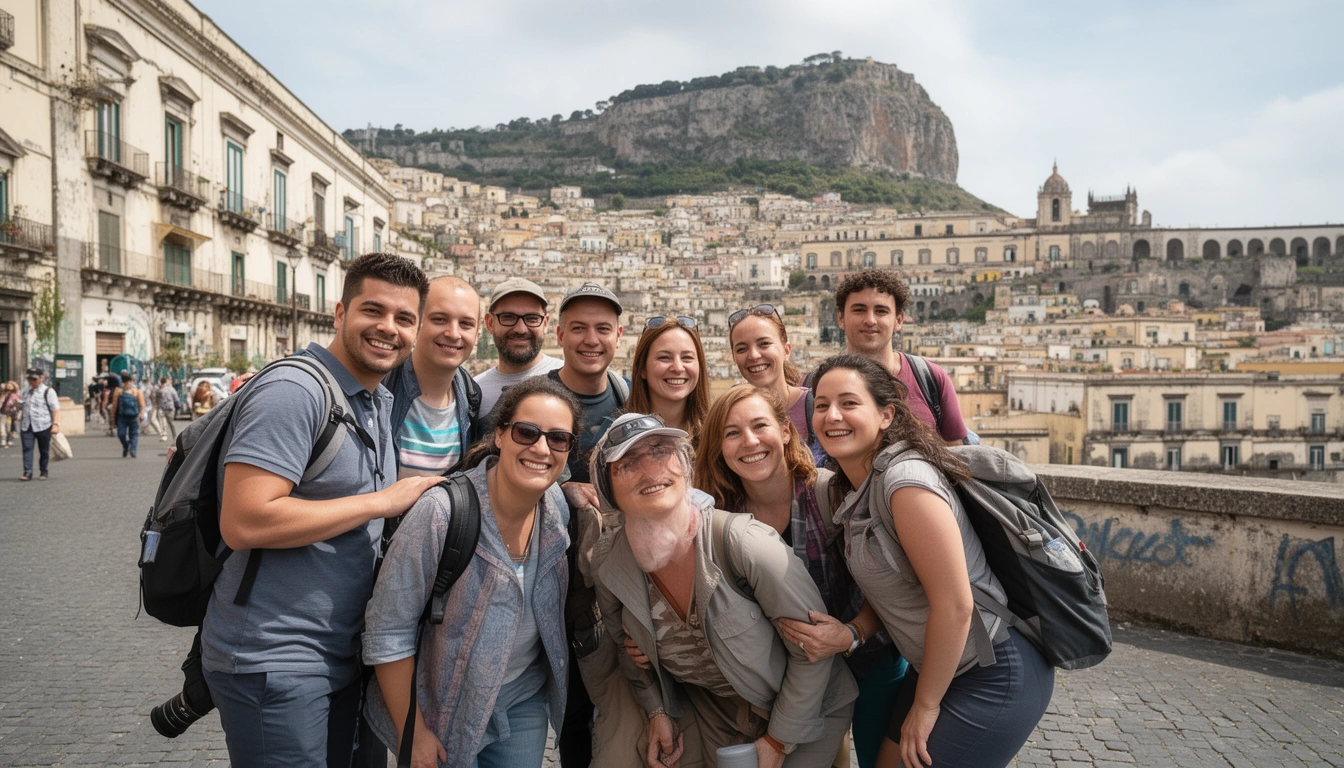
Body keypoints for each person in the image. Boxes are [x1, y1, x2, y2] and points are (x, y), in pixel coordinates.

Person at [202, 253, 444, 768]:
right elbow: (244, 520)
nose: (388, 327)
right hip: (275, 658)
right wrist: (381, 502)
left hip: (341, 656)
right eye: (372, 310)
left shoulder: (374, 400)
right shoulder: (295, 391)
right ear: (339, 313)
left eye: (404, 318)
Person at [811, 354, 1053, 768]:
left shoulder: (906, 484)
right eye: (821, 405)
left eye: (849, 403)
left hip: (992, 669)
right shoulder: (855, 489)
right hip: (940, 668)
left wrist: (924, 707)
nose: (832, 415)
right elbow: (894, 587)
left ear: (886, 415)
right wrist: (854, 632)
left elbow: (956, 606)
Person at [590, 412, 857, 767]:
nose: (650, 470)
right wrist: (656, 710)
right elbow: (624, 647)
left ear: (684, 466)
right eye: (627, 463)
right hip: (711, 709)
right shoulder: (610, 561)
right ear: (608, 490)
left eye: (660, 451)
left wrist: (778, 741)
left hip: (804, 707)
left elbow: (813, 652)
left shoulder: (745, 544)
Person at [364, 377, 581, 768]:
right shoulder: (441, 513)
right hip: (443, 709)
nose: (541, 448)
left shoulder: (556, 508)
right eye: (526, 432)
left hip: (522, 699)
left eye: (558, 438)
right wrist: (412, 731)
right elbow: (388, 630)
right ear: (499, 435)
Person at [694, 386, 907, 768]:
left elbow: (893, 585)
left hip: (871, 658)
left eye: (760, 426)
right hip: (797, 678)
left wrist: (852, 633)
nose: (750, 441)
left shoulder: (831, 495)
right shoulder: (721, 519)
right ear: (718, 448)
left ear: (785, 431)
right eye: (732, 433)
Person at [544, 282, 627, 768]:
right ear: (559, 335)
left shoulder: (628, 398)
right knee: (572, 714)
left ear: (618, 335)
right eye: (578, 328)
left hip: (616, 584)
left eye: (602, 329)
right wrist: (561, 487)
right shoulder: (534, 399)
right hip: (553, 588)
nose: (591, 339)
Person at [831, 270, 970, 444]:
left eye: (881, 311)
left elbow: (956, 453)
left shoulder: (931, 379)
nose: (870, 320)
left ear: (899, 320)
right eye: (859, 310)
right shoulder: (817, 386)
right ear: (841, 318)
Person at [386, 276, 483, 479]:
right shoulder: (382, 384)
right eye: (439, 319)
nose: (453, 333)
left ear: (478, 333)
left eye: (466, 324)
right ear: (416, 321)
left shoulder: (471, 395)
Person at [730, 304, 824, 463]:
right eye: (741, 349)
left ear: (786, 350)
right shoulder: (731, 415)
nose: (753, 355)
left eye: (764, 344)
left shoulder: (817, 406)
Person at [474, 278, 564, 418]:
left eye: (532, 318)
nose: (520, 329)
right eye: (508, 317)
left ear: (545, 324)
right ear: (490, 323)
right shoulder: (473, 393)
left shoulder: (569, 380)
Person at [624, 315, 709, 440]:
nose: (678, 368)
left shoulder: (716, 439)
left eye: (687, 358)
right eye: (664, 357)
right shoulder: (618, 437)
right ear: (642, 368)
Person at [18, 369, 60, 480]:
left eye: (34, 379)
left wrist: (55, 424)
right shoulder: (25, 391)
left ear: (41, 378)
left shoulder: (48, 391)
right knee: (27, 448)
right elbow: (20, 403)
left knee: (44, 450)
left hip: (43, 425)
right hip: (27, 425)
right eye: (29, 379)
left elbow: (55, 409)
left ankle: (43, 471)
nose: (31, 381)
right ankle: (27, 472)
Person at [111, 371, 147, 458]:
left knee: (125, 434)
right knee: (130, 434)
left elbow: (114, 405)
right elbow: (142, 405)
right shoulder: (136, 391)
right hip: (127, 416)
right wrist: (141, 415)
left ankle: (131, 449)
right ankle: (129, 447)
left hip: (127, 417)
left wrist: (113, 418)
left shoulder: (120, 391)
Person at [155, 376, 181, 442]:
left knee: (162, 422)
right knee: (171, 424)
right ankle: (175, 437)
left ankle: (164, 435)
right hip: (170, 408)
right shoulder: (170, 389)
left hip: (162, 408)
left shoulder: (159, 389)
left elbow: (156, 399)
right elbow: (176, 398)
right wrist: (178, 405)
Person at [1, 381, 21, 448]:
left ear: (14, 387)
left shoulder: (16, 395)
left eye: (10, 386)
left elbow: (19, 404)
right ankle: (3, 439)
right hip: (3, 413)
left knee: (9, 427)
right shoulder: (3, 394)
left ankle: (9, 439)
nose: (9, 387)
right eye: (8, 385)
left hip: (11, 414)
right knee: (2, 426)